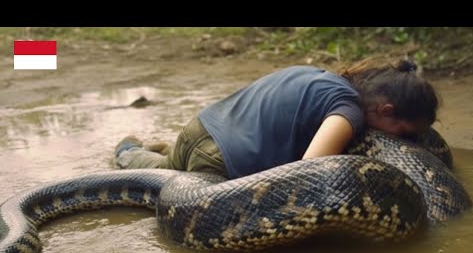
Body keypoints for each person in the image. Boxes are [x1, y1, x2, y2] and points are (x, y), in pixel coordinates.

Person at [114, 58, 439, 180]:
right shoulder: (349, 113)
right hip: (217, 163)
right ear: (386, 111)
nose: (404, 141)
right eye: (404, 133)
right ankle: (127, 152)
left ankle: (136, 149)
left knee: (168, 165)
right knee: (164, 178)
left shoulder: (320, 76)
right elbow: (309, 168)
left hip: (200, 128)